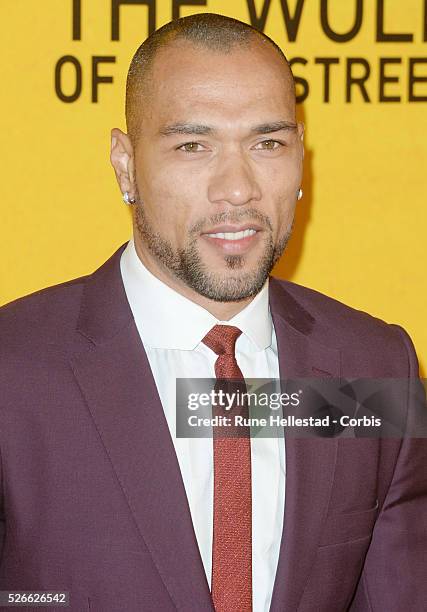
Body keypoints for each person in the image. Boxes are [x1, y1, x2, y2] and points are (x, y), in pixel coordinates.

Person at [0, 12, 426, 612]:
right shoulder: (13, 369)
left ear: (301, 158)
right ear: (125, 165)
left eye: (267, 143)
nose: (237, 188)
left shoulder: (376, 366)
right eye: (194, 146)